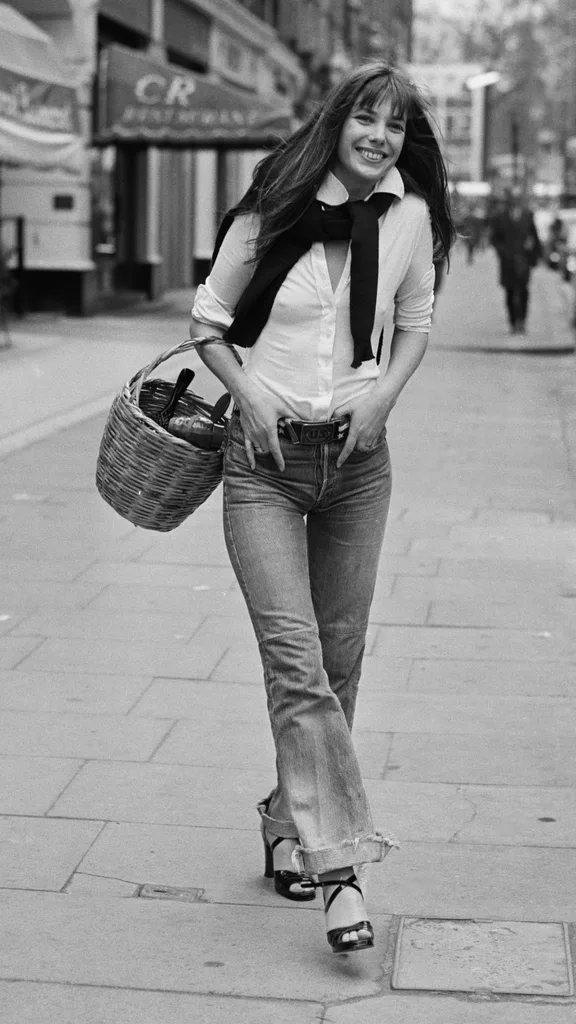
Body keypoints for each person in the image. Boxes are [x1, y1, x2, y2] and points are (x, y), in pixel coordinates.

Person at [190, 61, 455, 955]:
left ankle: (281, 815)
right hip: (263, 465)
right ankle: (342, 874)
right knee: (297, 662)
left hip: (358, 464)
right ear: (338, 122)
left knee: (337, 662)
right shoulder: (274, 205)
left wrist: (382, 401)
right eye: (365, 120)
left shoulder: (410, 219)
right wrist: (248, 396)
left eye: (393, 125)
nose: (377, 136)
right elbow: (208, 317)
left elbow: (415, 323)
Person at [490, 189, 542, 334]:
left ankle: (522, 321)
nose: (515, 202)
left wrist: (533, 257)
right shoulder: (500, 217)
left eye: (518, 199)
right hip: (507, 262)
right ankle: (513, 322)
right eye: (513, 199)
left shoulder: (528, 216)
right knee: (509, 292)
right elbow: (494, 239)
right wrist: (503, 252)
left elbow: (535, 237)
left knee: (524, 291)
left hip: (523, 261)